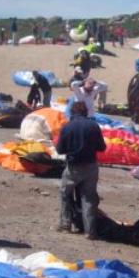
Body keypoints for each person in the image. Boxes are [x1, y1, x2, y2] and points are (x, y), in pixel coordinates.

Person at [56, 102, 106, 239]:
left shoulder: (67, 127)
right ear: (86, 112)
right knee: (88, 198)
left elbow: (60, 149)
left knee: (65, 194)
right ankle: (90, 231)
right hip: (91, 166)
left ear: (72, 112)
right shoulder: (94, 126)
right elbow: (102, 147)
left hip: (74, 167)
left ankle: (65, 224)